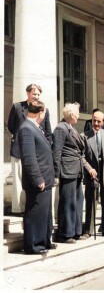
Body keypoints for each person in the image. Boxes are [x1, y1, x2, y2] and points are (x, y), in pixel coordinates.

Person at [52, 102, 94, 244]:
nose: (78, 116)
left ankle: (75, 232)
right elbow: (56, 153)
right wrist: (56, 174)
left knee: (77, 201)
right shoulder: (61, 128)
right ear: (70, 115)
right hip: (67, 170)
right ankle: (65, 234)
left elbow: (79, 152)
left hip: (76, 170)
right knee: (68, 202)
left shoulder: (72, 128)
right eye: (77, 114)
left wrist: (88, 169)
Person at [18, 101, 56, 254]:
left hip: (45, 179)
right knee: (35, 215)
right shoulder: (27, 128)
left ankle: (44, 241)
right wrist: (38, 178)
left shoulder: (34, 127)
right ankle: (34, 245)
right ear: (41, 112)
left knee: (44, 215)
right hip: (38, 181)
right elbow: (29, 158)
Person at [8, 84, 52, 213]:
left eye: (38, 94)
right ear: (27, 93)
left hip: (37, 149)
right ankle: (19, 208)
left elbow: (48, 131)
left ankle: (29, 206)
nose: (36, 96)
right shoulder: (17, 107)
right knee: (18, 179)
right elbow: (11, 125)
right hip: (18, 148)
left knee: (32, 177)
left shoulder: (44, 109)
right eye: (34, 94)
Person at [81, 110, 104, 238]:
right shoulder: (84, 136)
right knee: (91, 200)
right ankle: (88, 230)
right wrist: (89, 168)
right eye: (94, 120)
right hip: (92, 172)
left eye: (99, 121)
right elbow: (82, 156)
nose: (96, 123)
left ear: (103, 122)